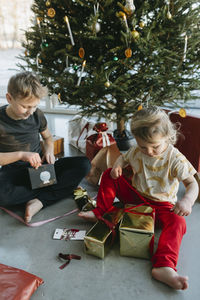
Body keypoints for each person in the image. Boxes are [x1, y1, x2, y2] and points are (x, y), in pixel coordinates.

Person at [79, 106, 199, 290]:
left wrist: (187, 201)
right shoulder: (136, 150)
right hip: (135, 199)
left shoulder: (176, 159)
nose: (149, 151)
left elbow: (192, 184)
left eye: (155, 146)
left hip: (162, 207)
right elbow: (124, 158)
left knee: (179, 222)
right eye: (143, 146)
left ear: (167, 136)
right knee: (111, 173)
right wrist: (118, 165)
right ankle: (100, 212)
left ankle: (164, 266)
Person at [0, 71, 91, 223]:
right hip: (13, 173)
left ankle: (40, 201)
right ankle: (52, 192)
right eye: (25, 106)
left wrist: (49, 151)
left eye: (34, 106)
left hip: (40, 169)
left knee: (84, 164)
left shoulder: (37, 115)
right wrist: (22, 155)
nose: (30, 112)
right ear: (9, 98)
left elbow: (48, 138)